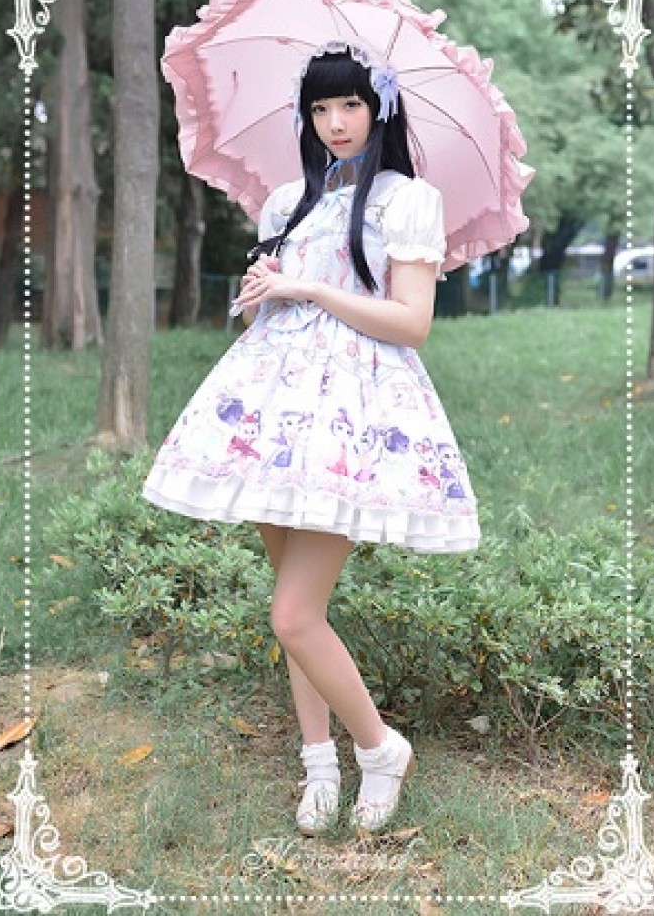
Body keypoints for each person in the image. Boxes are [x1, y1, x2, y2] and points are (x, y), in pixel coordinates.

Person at [142, 43, 481, 836]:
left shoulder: (407, 201)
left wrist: (310, 286)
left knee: (294, 614)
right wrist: (262, 295)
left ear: (380, 109)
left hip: (350, 417)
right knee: (294, 608)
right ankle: (319, 763)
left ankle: (382, 749)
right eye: (321, 108)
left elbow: (412, 323)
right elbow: (266, 320)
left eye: (351, 105)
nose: (335, 122)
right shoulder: (287, 203)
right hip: (272, 411)